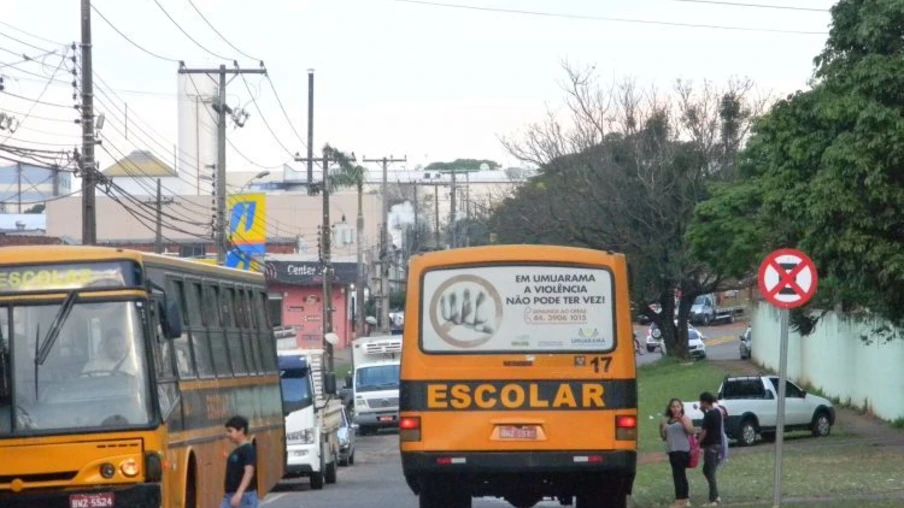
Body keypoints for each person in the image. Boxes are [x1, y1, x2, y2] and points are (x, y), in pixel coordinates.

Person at [660, 398, 694, 508]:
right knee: (679, 475)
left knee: (679, 475)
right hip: (672, 451)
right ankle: (684, 498)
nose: (675, 409)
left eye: (677, 406)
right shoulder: (668, 421)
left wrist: (682, 421)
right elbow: (664, 437)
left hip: (682, 450)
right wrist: (661, 428)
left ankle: (680, 500)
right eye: (673, 407)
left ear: (681, 407)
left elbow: (691, 431)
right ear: (670, 408)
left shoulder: (685, 418)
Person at [222, 415, 258, 508]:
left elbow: (248, 472)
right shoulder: (238, 450)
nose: (227, 434)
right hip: (230, 495)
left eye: (230, 431)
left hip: (244, 496)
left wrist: (239, 494)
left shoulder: (248, 449)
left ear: (241, 431)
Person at [698, 392, 723, 505]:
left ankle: (714, 497)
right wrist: (704, 412)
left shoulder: (709, 416)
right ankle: (715, 494)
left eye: (701, 402)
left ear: (704, 402)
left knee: (710, 472)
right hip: (718, 444)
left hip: (710, 446)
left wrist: (697, 443)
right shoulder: (717, 412)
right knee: (707, 470)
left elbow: (704, 431)